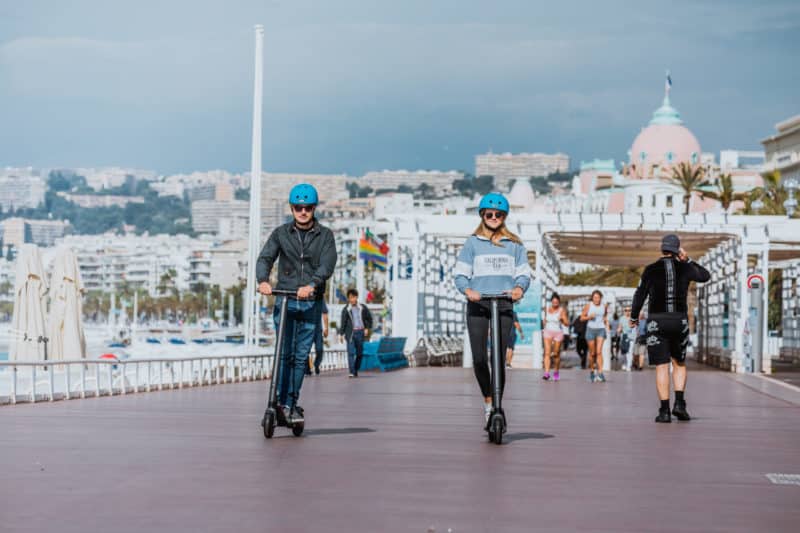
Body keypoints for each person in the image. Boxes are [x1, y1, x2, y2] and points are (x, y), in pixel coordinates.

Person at [257, 183, 337, 426]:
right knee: (283, 355)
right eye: (298, 207)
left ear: (314, 209)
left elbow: (328, 263)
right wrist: (263, 280)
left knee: (301, 357)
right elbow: (265, 257)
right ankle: (278, 402)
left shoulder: (325, 236)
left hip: (310, 302)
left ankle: (291, 404)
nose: (303, 212)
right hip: (286, 300)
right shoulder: (281, 234)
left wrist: (312, 284)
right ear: (291, 208)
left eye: (308, 208)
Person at [454, 192, 530, 425]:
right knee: (479, 358)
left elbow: (524, 274)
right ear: (482, 215)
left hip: (504, 303)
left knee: (498, 357)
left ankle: (497, 405)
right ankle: (488, 400)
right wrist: (468, 291)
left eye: (499, 214)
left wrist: (519, 288)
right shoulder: (472, 243)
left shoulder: (514, 244)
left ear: (504, 217)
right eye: (490, 214)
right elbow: (460, 274)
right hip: (478, 303)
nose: (494, 217)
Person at [630, 234, 711, 423]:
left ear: (662, 248)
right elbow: (705, 276)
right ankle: (680, 404)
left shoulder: (650, 269)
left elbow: (640, 294)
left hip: (656, 322)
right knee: (679, 363)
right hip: (679, 321)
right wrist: (688, 259)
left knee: (661, 366)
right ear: (677, 250)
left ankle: (664, 411)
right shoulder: (685, 268)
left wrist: (634, 317)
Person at [338, 289, 373, 377]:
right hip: (350, 333)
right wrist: (341, 334)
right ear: (348, 298)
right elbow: (343, 322)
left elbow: (369, 319)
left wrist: (367, 328)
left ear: (356, 297)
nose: (352, 299)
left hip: (360, 332)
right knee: (350, 353)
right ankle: (352, 372)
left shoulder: (363, 307)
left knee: (359, 354)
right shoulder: (346, 309)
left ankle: (355, 369)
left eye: (353, 297)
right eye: (350, 298)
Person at [581, 290, 608, 382]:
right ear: (592, 298)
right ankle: (592, 370)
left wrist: (606, 324)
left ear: (601, 298)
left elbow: (605, 316)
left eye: (598, 297)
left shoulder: (604, 306)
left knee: (599, 352)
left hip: (601, 329)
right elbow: (581, 318)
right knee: (592, 353)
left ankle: (600, 373)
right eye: (595, 297)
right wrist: (589, 317)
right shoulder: (589, 305)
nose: (596, 299)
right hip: (590, 329)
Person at [542, 293, 569, 381]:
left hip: (558, 333)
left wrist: (562, 319)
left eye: (556, 303)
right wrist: (544, 327)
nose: (555, 304)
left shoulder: (562, 310)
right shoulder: (547, 309)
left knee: (556, 354)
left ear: (559, 303)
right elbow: (544, 320)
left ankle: (556, 371)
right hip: (548, 332)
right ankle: (546, 373)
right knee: (547, 353)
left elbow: (567, 323)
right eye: (553, 302)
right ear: (551, 302)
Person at [308, 301, 329, 375]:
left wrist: (326, 328)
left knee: (320, 349)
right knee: (305, 350)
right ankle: (307, 369)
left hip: (318, 330)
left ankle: (316, 364)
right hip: (306, 329)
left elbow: (325, 313)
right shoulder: (305, 296)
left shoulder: (320, 298)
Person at [620, 307, 636, 371]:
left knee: (630, 352)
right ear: (624, 311)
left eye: (629, 310)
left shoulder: (633, 318)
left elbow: (634, 326)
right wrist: (619, 329)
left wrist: (632, 325)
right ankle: (624, 363)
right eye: (626, 310)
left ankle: (629, 366)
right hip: (624, 337)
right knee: (624, 352)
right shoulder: (622, 318)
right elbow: (620, 326)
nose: (627, 311)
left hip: (631, 337)